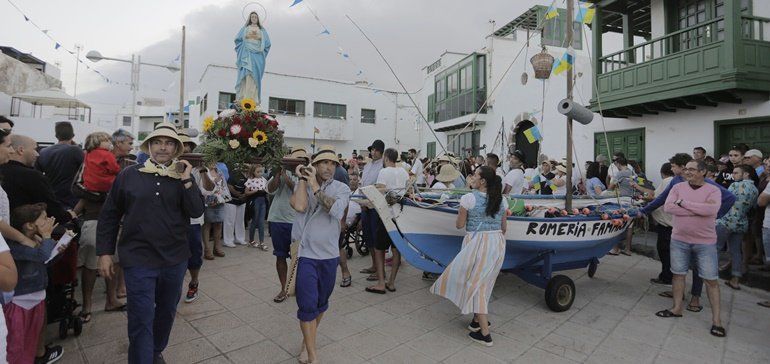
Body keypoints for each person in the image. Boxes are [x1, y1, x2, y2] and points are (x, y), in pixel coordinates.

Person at [96, 122, 204, 363]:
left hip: (174, 259)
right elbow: (110, 215)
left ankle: (155, 350)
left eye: (168, 143)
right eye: (157, 142)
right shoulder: (128, 175)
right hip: (138, 258)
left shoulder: (182, 177)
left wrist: (187, 179)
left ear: (176, 148)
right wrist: (104, 252)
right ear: (149, 146)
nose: (162, 147)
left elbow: (196, 211)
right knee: (141, 316)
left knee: (166, 312)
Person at [430, 166, 507, 347]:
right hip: (497, 243)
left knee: (475, 284)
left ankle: (485, 334)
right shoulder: (502, 200)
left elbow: (459, 225)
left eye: (475, 175)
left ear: (482, 181)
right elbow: (504, 228)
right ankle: (476, 320)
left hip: (477, 243)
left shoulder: (468, 198)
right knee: (484, 282)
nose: (471, 177)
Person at [290, 146, 350, 364]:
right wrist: (303, 181)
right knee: (307, 306)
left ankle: (307, 342)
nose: (329, 167)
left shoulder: (342, 188)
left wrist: (315, 186)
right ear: (315, 166)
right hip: (306, 254)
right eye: (324, 162)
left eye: (333, 163)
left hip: (330, 255)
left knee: (321, 303)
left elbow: (335, 210)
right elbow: (298, 206)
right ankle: (313, 355)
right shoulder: (305, 184)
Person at [656, 160, 726, 338]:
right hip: (679, 240)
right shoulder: (677, 188)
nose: (687, 172)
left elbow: (712, 210)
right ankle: (677, 308)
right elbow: (669, 207)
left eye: (692, 169)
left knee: (711, 280)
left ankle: (717, 321)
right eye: (686, 169)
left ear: (703, 172)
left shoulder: (713, 190)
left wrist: (684, 204)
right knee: (678, 275)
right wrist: (697, 210)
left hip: (705, 242)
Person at [5, 203, 63, 364]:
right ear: (30, 225)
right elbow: (42, 256)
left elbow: (47, 260)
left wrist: (58, 250)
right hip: (19, 303)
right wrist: (47, 238)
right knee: (17, 343)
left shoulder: (35, 240)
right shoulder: (16, 247)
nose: (49, 221)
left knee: (33, 337)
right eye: (44, 219)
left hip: (37, 298)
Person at [1, 135, 73, 223]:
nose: (37, 154)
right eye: (35, 149)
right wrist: (69, 215)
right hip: (26, 231)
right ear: (21, 150)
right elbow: (52, 209)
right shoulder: (32, 177)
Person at [365, 148, 409, 295]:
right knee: (396, 249)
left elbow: (381, 190)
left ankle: (381, 283)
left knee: (379, 249)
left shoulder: (384, 172)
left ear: (385, 158)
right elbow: (408, 189)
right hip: (400, 215)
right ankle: (391, 282)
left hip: (386, 214)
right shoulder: (403, 171)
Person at [266, 148, 306, 303]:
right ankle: (284, 288)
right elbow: (270, 189)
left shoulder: (306, 175)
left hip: (297, 220)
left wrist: (291, 175)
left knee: (300, 257)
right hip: (277, 219)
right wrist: (278, 172)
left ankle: (298, 286)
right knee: (280, 255)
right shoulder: (281, 171)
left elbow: (294, 188)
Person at [717, 164, 758, 291]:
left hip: (726, 220)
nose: (733, 175)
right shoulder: (755, 189)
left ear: (746, 174)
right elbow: (754, 207)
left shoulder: (735, 185)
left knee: (716, 248)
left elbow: (724, 200)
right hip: (741, 222)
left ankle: (710, 275)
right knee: (736, 251)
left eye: (736, 173)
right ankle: (735, 279)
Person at [179, 131, 206, 303]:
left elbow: (208, 191)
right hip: (173, 221)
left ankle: (194, 282)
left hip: (194, 221)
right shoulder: (167, 169)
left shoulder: (197, 169)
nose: (184, 153)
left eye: (187, 149)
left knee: (194, 255)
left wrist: (203, 172)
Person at [35, 121, 83, 209]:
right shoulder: (76, 151)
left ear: (56, 136)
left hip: (51, 197)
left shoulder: (43, 152)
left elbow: (37, 175)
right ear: (73, 135)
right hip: (72, 199)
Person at [359, 140, 385, 278]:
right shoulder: (368, 165)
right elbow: (363, 183)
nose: (373, 152)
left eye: (375, 150)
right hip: (364, 204)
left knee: (376, 237)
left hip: (375, 205)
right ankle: (374, 264)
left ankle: (379, 269)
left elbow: (379, 187)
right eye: (372, 150)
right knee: (368, 235)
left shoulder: (383, 166)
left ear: (381, 152)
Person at [648, 163, 675, 285]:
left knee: (664, 250)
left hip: (666, 223)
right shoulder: (675, 181)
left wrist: (644, 209)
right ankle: (667, 275)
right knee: (667, 251)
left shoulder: (667, 181)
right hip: (671, 222)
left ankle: (667, 276)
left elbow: (657, 199)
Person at [235, 11, 271, 103]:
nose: (254, 18)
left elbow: (267, 44)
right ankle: (243, 98)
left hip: (257, 56)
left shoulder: (262, 31)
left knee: (254, 77)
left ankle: (252, 100)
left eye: (255, 17)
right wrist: (245, 44)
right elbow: (237, 39)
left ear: (258, 19)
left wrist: (260, 50)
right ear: (250, 19)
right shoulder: (245, 29)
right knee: (246, 75)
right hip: (247, 54)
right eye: (252, 17)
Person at [200, 161, 230, 259]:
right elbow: (202, 186)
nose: (213, 161)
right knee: (207, 224)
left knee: (219, 224)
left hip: (220, 201)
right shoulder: (203, 170)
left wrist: (224, 197)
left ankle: (217, 248)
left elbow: (224, 185)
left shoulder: (219, 170)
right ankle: (207, 250)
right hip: (207, 201)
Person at [223, 164, 251, 248]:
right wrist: (236, 193)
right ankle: (228, 240)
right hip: (231, 201)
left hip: (242, 201)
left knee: (240, 220)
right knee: (229, 221)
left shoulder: (249, 176)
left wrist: (244, 195)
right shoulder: (235, 173)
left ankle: (240, 238)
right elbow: (229, 185)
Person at [246, 164, 269, 250]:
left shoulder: (264, 179)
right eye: (258, 172)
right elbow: (246, 192)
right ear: (253, 172)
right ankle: (251, 240)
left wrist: (265, 190)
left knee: (261, 222)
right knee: (254, 221)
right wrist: (255, 191)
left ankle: (262, 242)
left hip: (263, 200)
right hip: (255, 201)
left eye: (261, 171)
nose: (260, 173)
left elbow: (267, 188)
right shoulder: (250, 180)